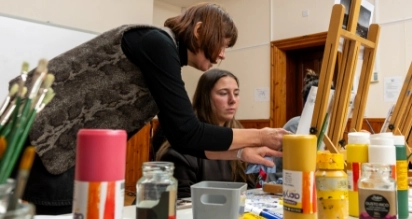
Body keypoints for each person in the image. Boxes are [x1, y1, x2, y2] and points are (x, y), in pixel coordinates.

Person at [12, 3, 288, 214]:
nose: (223, 54)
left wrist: (239, 152)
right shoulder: (157, 43)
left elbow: (182, 138)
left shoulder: (163, 56)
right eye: (222, 44)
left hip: (64, 152)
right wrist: (262, 136)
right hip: (44, 144)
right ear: (200, 30)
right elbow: (187, 131)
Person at [156, 69, 259, 198]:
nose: (233, 100)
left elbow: (249, 191)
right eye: (223, 93)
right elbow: (183, 206)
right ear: (205, 98)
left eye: (236, 93)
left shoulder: (242, 140)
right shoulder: (179, 151)